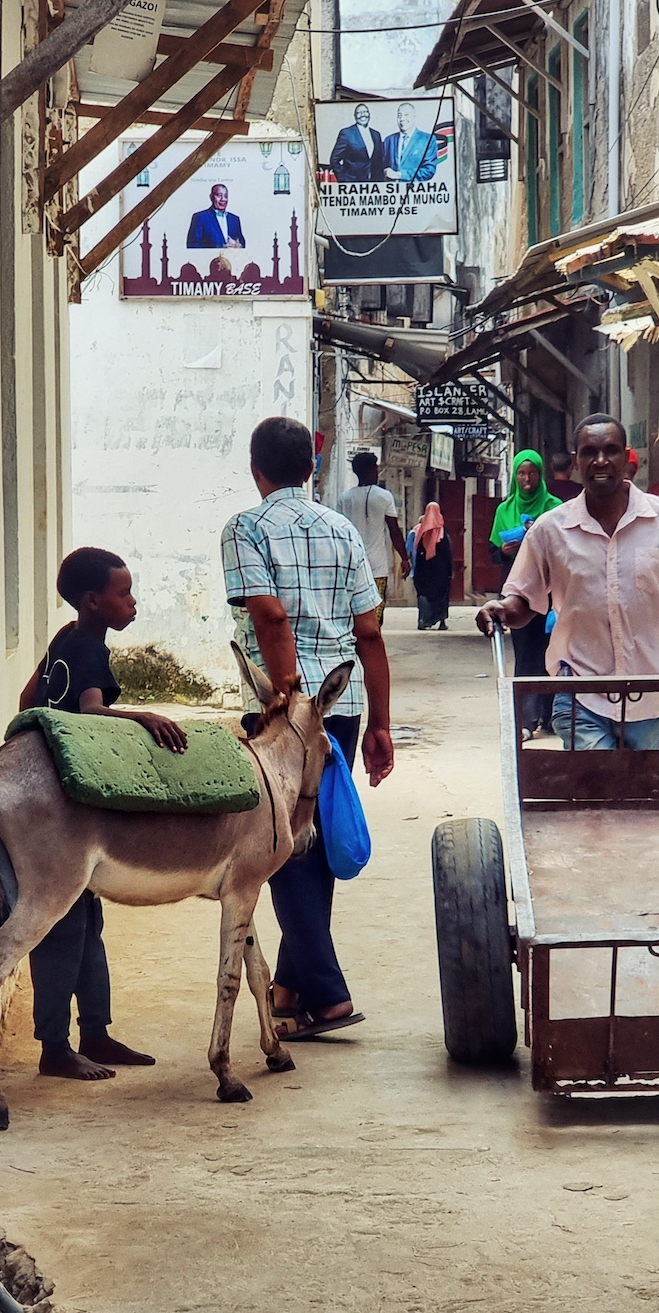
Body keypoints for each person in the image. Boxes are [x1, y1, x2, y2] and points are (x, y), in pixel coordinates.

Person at [221, 417, 394, 1039]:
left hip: (282, 712)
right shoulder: (343, 530)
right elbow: (369, 633)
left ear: (255, 468)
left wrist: (289, 701)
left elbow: (269, 619)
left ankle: (328, 994)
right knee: (308, 844)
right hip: (339, 710)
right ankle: (291, 989)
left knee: (286, 851)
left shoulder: (245, 529)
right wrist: (380, 724)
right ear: (312, 467)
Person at [19, 547, 188, 1080]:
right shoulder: (89, 649)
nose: (132, 601)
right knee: (65, 926)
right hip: (65, 810)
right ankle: (54, 1046)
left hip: (64, 797)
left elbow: (29, 698)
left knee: (89, 920)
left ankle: (95, 1032)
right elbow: (92, 713)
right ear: (93, 601)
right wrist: (145, 717)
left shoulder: (67, 639)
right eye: (123, 593)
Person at [477, 415, 659, 751]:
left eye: (610, 451)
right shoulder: (551, 530)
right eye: (589, 452)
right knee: (597, 785)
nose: (600, 461)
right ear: (577, 461)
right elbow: (523, 599)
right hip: (578, 687)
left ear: (625, 457)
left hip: (648, 688)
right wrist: (502, 610)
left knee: (636, 795)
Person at [489, 449, 562, 738]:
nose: (527, 478)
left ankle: (551, 715)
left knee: (552, 651)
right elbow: (492, 553)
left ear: (540, 474)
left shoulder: (554, 506)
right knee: (525, 654)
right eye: (521, 473)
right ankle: (527, 719)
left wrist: (537, 537)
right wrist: (505, 551)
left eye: (532, 473)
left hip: (553, 592)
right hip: (517, 593)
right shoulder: (504, 510)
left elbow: (565, 549)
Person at [337, 451, 411, 625]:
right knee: (375, 617)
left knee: (352, 615)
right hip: (377, 568)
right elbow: (394, 530)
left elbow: (339, 533)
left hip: (350, 566)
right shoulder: (384, 497)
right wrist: (404, 559)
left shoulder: (344, 499)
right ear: (372, 471)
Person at [411, 501, 452, 630]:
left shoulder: (422, 531)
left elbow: (417, 551)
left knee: (424, 593)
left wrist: (417, 570)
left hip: (425, 569)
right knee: (442, 595)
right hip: (440, 570)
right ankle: (441, 622)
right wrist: (450, 571)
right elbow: (447, 553)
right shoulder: (442, 531)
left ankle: (423, 619)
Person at [381, 102, 439, 182]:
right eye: (399, 115)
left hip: (416, 192)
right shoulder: (389, 140)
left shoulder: (427, 139)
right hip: (392, 192)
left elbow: (429, 171)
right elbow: (382, 167)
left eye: (406, 115)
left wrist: (400, 175)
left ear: (414, 117)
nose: (402, 119)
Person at [330, 103, 383, 183]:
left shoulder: (376, 134)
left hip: (373, 185)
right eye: (359, 113)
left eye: (365, 112)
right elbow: (334, 159)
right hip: (353, 185)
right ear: (354, 116)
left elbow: (378, 160)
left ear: (369, 114)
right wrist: (343, 180)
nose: (363, 115)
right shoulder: (347, 133)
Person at [186, 183, 246, 249]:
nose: (223, 199)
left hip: (230, 258)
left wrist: (237, 245)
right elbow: (192, 245)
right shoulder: (200, 218)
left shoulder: (234, 219)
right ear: (211, 197)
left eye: (226, 196)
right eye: (219, 195)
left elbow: (242, 242)